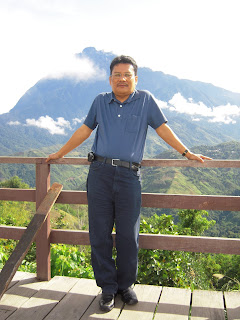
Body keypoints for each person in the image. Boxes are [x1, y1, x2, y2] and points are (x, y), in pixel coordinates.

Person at [46, 55, 212, 312]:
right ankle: (107, 289)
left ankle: (125, 285)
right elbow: (84, 130)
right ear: (110, 78)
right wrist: (60, 152)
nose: (122, 79)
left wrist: (186, 152)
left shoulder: (145, 100)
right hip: (99, 173)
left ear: (136, 78)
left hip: (129, 176)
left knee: (128, 235)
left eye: (127, 75)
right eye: (117, 75)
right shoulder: (100, 101)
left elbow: (163, 128)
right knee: (99, 234)